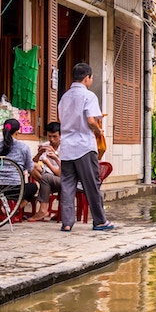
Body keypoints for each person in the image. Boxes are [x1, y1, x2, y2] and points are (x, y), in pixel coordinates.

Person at [58, 62, 114, 232]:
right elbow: (91, 120)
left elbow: (62, 120)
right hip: (83, 145)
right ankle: (100, 221)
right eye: (91, 77)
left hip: (66, 146)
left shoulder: (64, 97)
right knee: (91, 184)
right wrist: (98, 130)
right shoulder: (89, 96)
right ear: (87, 78)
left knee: (67, 185)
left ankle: (67, 223)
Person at [0, 118, 38, 203]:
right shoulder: (23, 147)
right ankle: (16, 210)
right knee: (33, 187)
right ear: (17, 132)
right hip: (15, 190)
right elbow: (29, 167)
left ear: (3, 130)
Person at [28, 122, 62, 222]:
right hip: (48, 176)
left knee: (46, 178)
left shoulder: (65, 147)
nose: (51, 139)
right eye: (49, 136)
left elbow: (60, 173)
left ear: (61, 135)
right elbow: (33, 162)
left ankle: (43, 210)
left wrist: (54, 156)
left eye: (55, 136)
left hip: (61, 178)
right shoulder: (46, 145)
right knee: (32, 166)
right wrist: (39, 154)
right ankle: (47, 188)